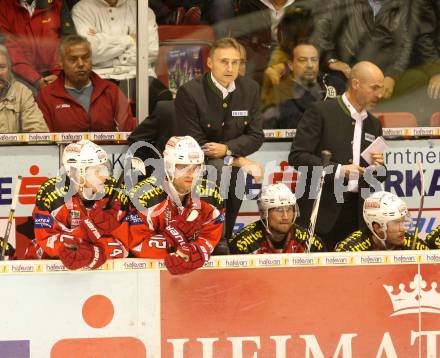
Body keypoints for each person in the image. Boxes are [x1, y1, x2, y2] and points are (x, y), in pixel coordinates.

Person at [175, 37, 264, 254]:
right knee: (219, 169)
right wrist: (237, 159)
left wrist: (229, 152)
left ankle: (227, 234)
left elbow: (256, 135)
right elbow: (195, 142)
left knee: (235, 173)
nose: (230, 68)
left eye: (236, 62)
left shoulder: (250, 88)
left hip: (226, 159)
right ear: (209, 62)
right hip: (196, 162)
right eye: (224, 61)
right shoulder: (190, 92)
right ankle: (216, 237)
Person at [288, 61, 386, 251]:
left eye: (381, 89)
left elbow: (378, 176)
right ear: (355, 84)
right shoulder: (321, 111)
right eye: (374, 88)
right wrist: (339, 170)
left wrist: (378, 168)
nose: (379, 95)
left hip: (358, 216)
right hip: (320, 210)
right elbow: (298, 157)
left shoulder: (374, 124)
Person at [112, 136, 225, 275]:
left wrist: (195, 250)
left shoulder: (211, 196)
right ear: (168, 166)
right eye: (183, 167)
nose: (190, 174)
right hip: (145, 272)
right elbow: (137, 244)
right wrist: (177, 246)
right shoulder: (145, 197)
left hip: (189, 271)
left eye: (195, 167)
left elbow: (209, 237)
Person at [26, 140, 129, 270]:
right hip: (49, 270)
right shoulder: (52, 195)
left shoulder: (115, 194)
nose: (104, 176)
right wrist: (90, 230)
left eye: (105, 168)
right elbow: (47, 241)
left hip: (102, 272)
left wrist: (92, 254)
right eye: (97, 171)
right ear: (77, 174)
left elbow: (123, 245)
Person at [313, 0, 411, 100]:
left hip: (380, 81)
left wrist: (392, 76)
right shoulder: (341, 3)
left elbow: (405, 44)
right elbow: (318, 32)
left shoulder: (399, 4)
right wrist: (330, 60)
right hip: (344, 79)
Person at [37, 34, 134, 132]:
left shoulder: (111, 92)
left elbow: (127, 133)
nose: (81, 64)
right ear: (61, 62)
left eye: (86, 57)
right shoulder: (47, 96)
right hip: (63, 147)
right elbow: (46, 141)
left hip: (107, 148)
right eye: (73, 59)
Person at [262, 42, 345, 129]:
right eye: (303, 60)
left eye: (314, 60)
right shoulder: (280, 93)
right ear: (290, 65)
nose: (310, 65)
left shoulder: (335, 84)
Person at [0, 0, 75, 93]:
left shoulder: (57, 2)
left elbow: (69, 42)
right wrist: (36, 80)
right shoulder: (3, 7)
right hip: (22, 78)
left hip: (61, 72)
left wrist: (58, 74)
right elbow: (10, 51)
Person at [228, 183, 325, 254]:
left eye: (289, 209)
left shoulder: (309, 241)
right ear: (263, 213)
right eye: (279, 210)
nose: (286, 216)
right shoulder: (242, 244)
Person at [72, 0, 158, 79]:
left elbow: (150, 51)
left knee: (164, 95)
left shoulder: (142, 8)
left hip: (140, 76)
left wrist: (103, 45)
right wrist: (129, 39)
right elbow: (89, 52)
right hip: (100, 77)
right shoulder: (82, 9)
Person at [335, 191, 429, 251]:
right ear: (377, 227)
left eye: (403, 221)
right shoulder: (349, 250)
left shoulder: (415, 246)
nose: (403, 228)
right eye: (396, 222)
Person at [0, 45, 49, 133]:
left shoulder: (21, 92)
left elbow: (38, 132)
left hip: (13, 147)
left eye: (2, 67)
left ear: (9, 69)